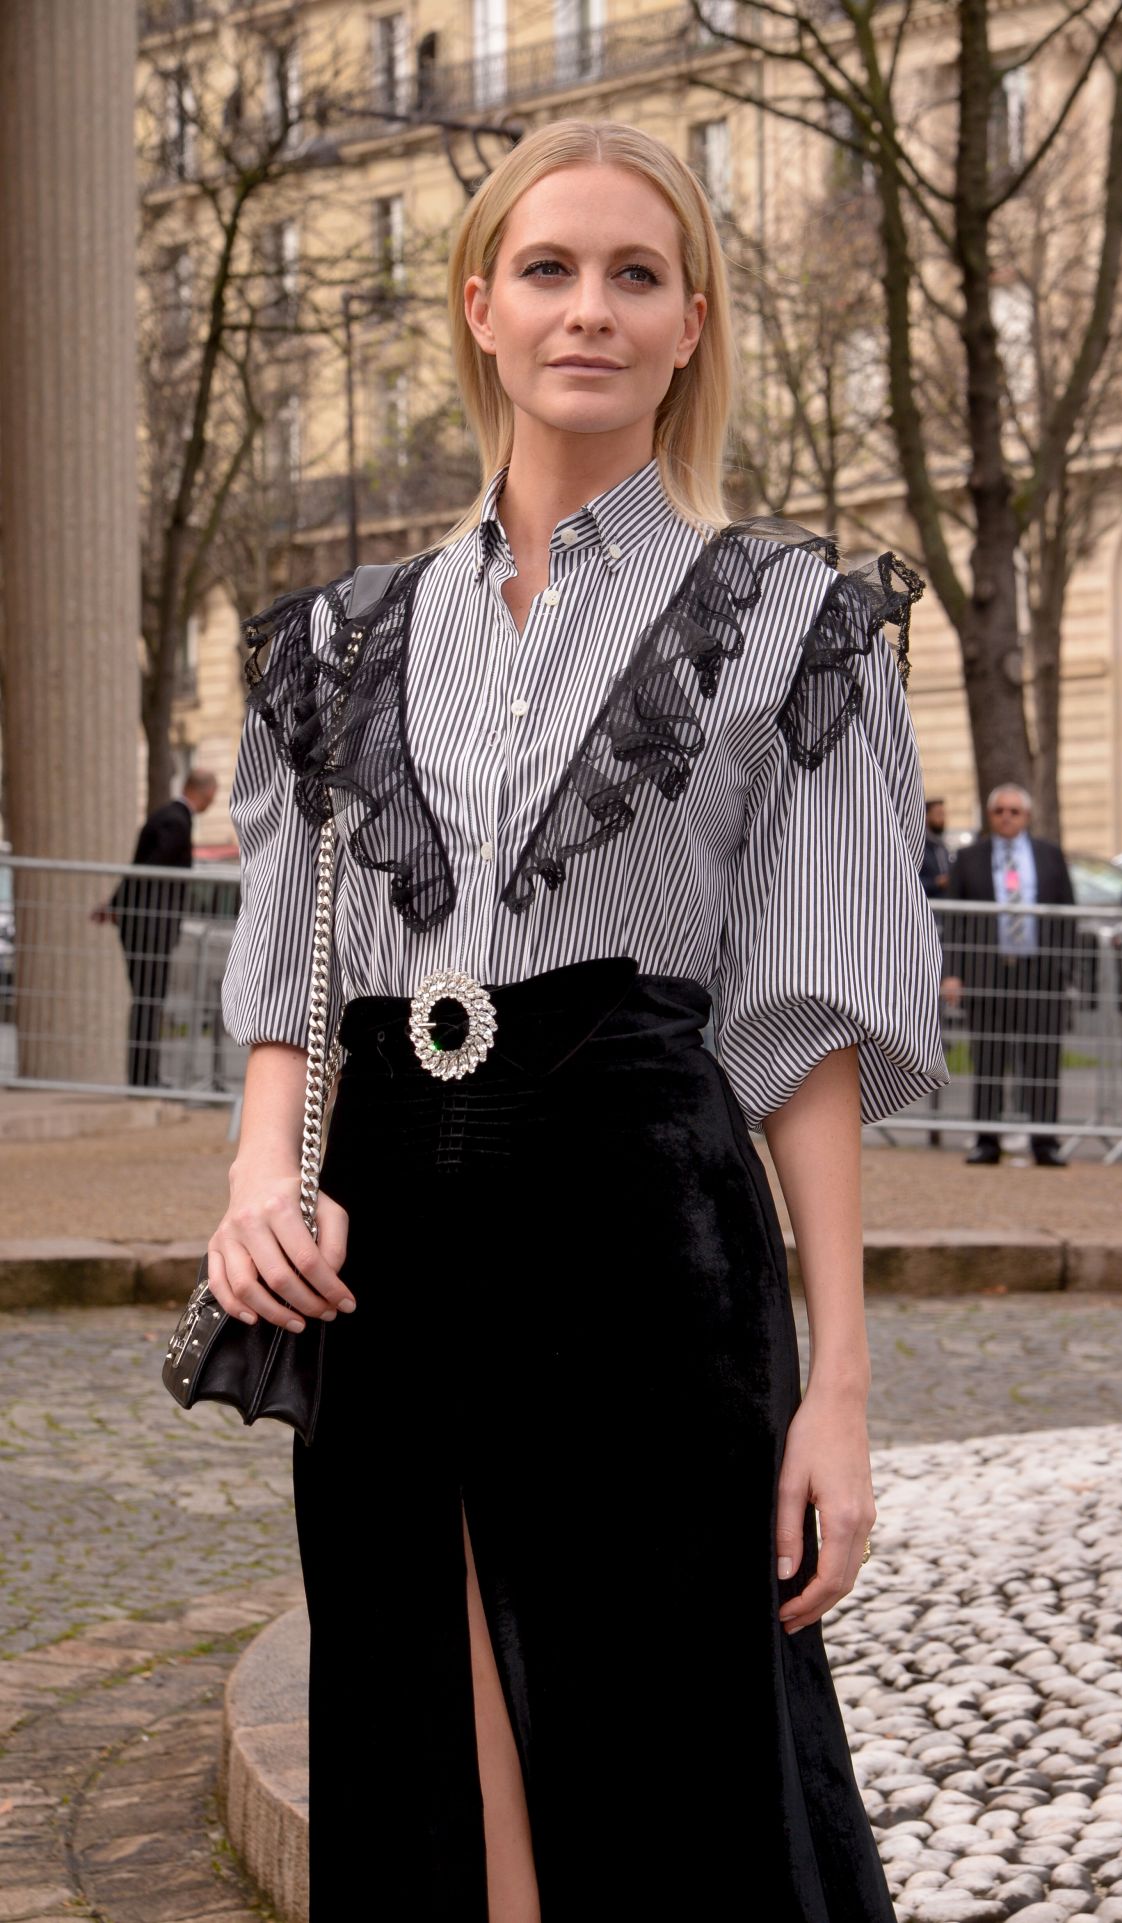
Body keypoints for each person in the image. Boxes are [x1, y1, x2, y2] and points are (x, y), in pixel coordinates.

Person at [210, 119, 947, 1921]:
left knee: (670, 1748)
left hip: (645, 1234)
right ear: (481, 305)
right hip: (383, 1232)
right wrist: (254, 1178)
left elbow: (807, 1023)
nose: (589, 311)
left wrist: (838, 1387)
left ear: (693, 322)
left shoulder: (790, 621)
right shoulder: (338, 637)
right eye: (549, 269)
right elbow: (292, 963)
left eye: (637, 276)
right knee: (427, 1743)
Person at [941, 783, 1075, 1167]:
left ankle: (1045, 1142)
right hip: (988, 970)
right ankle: (986, 1140)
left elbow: (1067, 911)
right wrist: (953, 972)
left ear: (1026, 816)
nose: (1006, 817)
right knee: (989, 1056)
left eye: (1014, 811)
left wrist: (1066, 967)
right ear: (990, 816)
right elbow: (956, 920)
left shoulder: (1049, 856)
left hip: (1039, 972)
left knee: (1042, 1058)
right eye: (999, 811)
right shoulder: (970, 858)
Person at [95, 769, 217, 1086]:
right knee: (150, 1000)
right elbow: (149, 871)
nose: (212, 802)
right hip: (150, 926)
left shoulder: (168, 817)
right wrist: (118, 904)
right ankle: (144, 1078)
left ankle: (144, 1076)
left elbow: (141, 868)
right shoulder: (175, 821)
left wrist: (116, 904)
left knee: (147, 1000)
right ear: (202, 792)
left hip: (144, 923)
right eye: (212, 795)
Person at [920, 795, 951, 897]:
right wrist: (936, 883)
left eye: (943, 814)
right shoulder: (920, 846)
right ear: (926, 816)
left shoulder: (942, 846)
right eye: (938, 814)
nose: (942, 819)